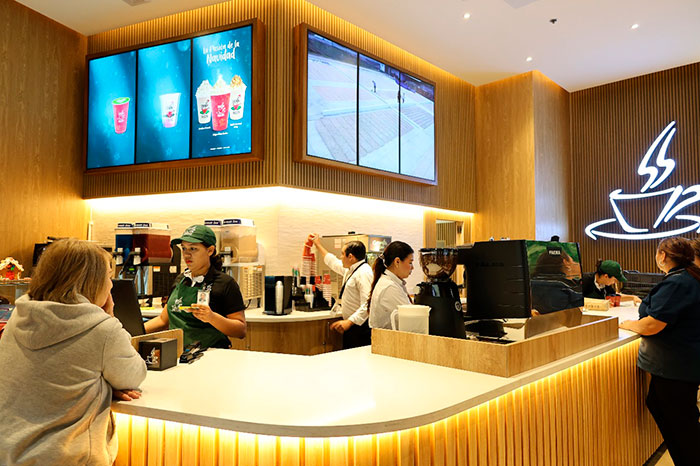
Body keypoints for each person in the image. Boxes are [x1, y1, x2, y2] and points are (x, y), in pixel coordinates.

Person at [0, 239, 146, 465]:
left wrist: (98, 384)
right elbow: (134, 375)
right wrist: (110, 319)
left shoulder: (18, 316)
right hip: (68, 458)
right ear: (92, 281)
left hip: (9, 453)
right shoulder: (102, 329)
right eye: (109, 277)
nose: (111, 285)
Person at [619, 237, 700, 465]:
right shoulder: (687, 278)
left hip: (675, 366)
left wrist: (629, 325)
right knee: (661, 406)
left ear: (662, 255)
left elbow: (652, 325)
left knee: (681, 424)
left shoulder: (678, 283)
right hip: (681, 364)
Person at [145, 225, 246, 349]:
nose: (187, 255)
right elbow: (163, 320)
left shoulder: (225, 283)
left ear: (210, 250)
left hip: (210, 354)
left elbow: (241, 330)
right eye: (184, 248)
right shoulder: (180, 279)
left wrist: (212, 317)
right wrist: (132, 332)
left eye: (193, 249)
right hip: (177, 353)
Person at [309, 234, 373, 348]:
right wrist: (318, 245)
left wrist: (349, 322)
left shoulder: (364, 272)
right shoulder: (351, 269)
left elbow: (368, 304)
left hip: (359, 327)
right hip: (352, 326)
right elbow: (333, 262)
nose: (340, 257)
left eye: (342, 254)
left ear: (351, 257)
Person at [367, 241, 415, 329]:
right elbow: (411, 318)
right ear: (397, 262)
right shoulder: (389, 287)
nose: (412, 267)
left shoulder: (392, 282)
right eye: (410, 262)